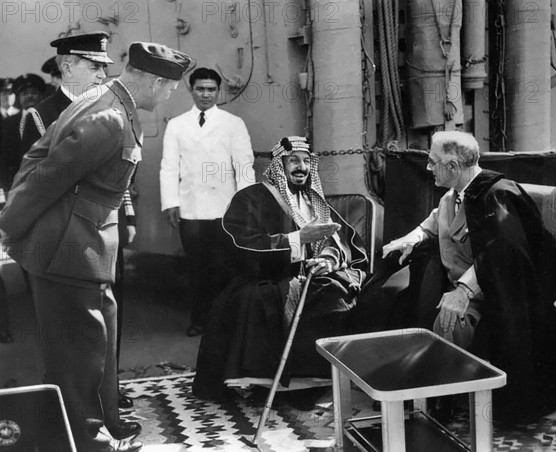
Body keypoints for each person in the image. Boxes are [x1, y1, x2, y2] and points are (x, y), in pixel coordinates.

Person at [0, 41, 191, 452]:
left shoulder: (107, 103)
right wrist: (10, 227)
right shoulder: (107, 116)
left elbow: (38, 156)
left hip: (90, 245)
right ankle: (87, 442)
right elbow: (43, 174)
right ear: (155, 81)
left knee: (98, 344)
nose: (169, 95)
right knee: (76, 356)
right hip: (68, 249)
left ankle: (107, 421)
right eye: (170, 88)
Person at [381, 130, 556, 423]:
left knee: (448, 319)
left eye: (433, 162)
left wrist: (463, 291)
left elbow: (503, 252)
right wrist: (408, 240)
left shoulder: (500, 195)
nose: (427, 167)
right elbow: (430, 226)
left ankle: (448, 403)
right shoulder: (452, 198)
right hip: (472, 289)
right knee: (401, 301)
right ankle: (437, 394)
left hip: (505, 296)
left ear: (452, 166)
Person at [17, 31, 140, 440]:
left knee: (106, 329)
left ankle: (109, 407)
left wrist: (129, 214)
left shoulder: (110, 107)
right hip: (58, 239)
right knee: (70, 338)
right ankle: (70, 424)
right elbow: (25, 182)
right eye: (93, 65)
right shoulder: (37, 116)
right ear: (67, 64)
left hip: (103, 231)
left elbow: (119, 177)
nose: (101, 73)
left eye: (105, 67)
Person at [192, 136, 369, 408]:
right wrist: (298, 239)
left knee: (337, 293)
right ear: (278, 166)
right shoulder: (251, 198)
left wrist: (327, 259)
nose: (302, 167)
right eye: (294, 161)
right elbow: (240, 248)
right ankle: (271, 384)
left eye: (306, 161)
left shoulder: (314, 200)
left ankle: (312, 384)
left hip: (314, 276)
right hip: (264, 277)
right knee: (270, 298)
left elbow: (340, 240)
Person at [160, 67, 255, 337]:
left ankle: (226, 321)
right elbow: (169, 166)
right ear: (191, 90)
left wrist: (244, 203)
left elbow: (244, 166)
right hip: (191, 209)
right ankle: (200, 320)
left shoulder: (232, 123)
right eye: (200, 89)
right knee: (197, 267)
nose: (206, 94)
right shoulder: (177, 125)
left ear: (218, 91)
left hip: (225, 208)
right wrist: (170, 202)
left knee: (225, 266)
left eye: (211, 89)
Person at [0, 73, 45, 195]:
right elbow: (4, 158)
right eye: (25, 94)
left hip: (44, 183)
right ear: (19, 98)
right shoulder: (9, 123)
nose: (30, 96)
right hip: (15, 184)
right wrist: (8, 187)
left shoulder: (49, 119)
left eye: (34, 93)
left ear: (41, 96)